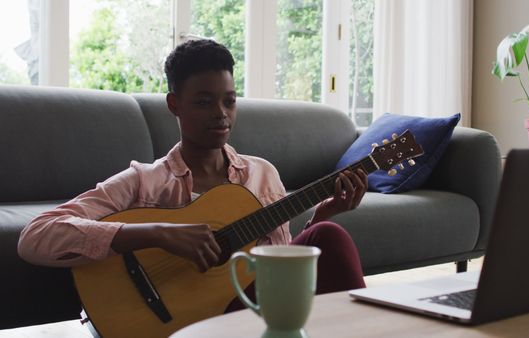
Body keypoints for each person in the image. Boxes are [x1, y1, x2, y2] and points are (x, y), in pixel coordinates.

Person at [17, 39, 367, 312]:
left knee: (327, 234)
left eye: (229, 101)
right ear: (174, 105)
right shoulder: (144, 181)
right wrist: (156, 233)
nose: (221, 114)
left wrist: (321, 216)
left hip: (255, 306)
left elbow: (277, 262)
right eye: (203, 102)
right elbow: (36, 236)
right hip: (188, 314)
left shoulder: (262, 174)